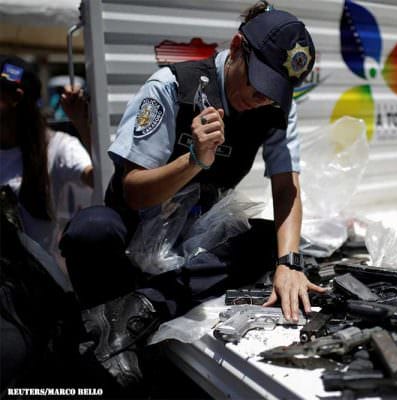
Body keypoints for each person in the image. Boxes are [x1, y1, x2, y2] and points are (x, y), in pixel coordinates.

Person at [59, 1, 327, 385]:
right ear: (236, 48)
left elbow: (286, 188)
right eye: (258, 84)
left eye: (274, 91)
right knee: (91, 229)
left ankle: (141, 307)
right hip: (137, 234)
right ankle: (109, 333)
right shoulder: (171, 87)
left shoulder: (273, 107)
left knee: (274, 240)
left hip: (193, 241)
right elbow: (133, 191)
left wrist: (289, 265)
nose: (261, 99)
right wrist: (194, 161)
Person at [0, 55, 93, 270]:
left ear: (16, 98)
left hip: (37, 281)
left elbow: (99, 178)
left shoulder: (57, 146)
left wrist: (81, 123)